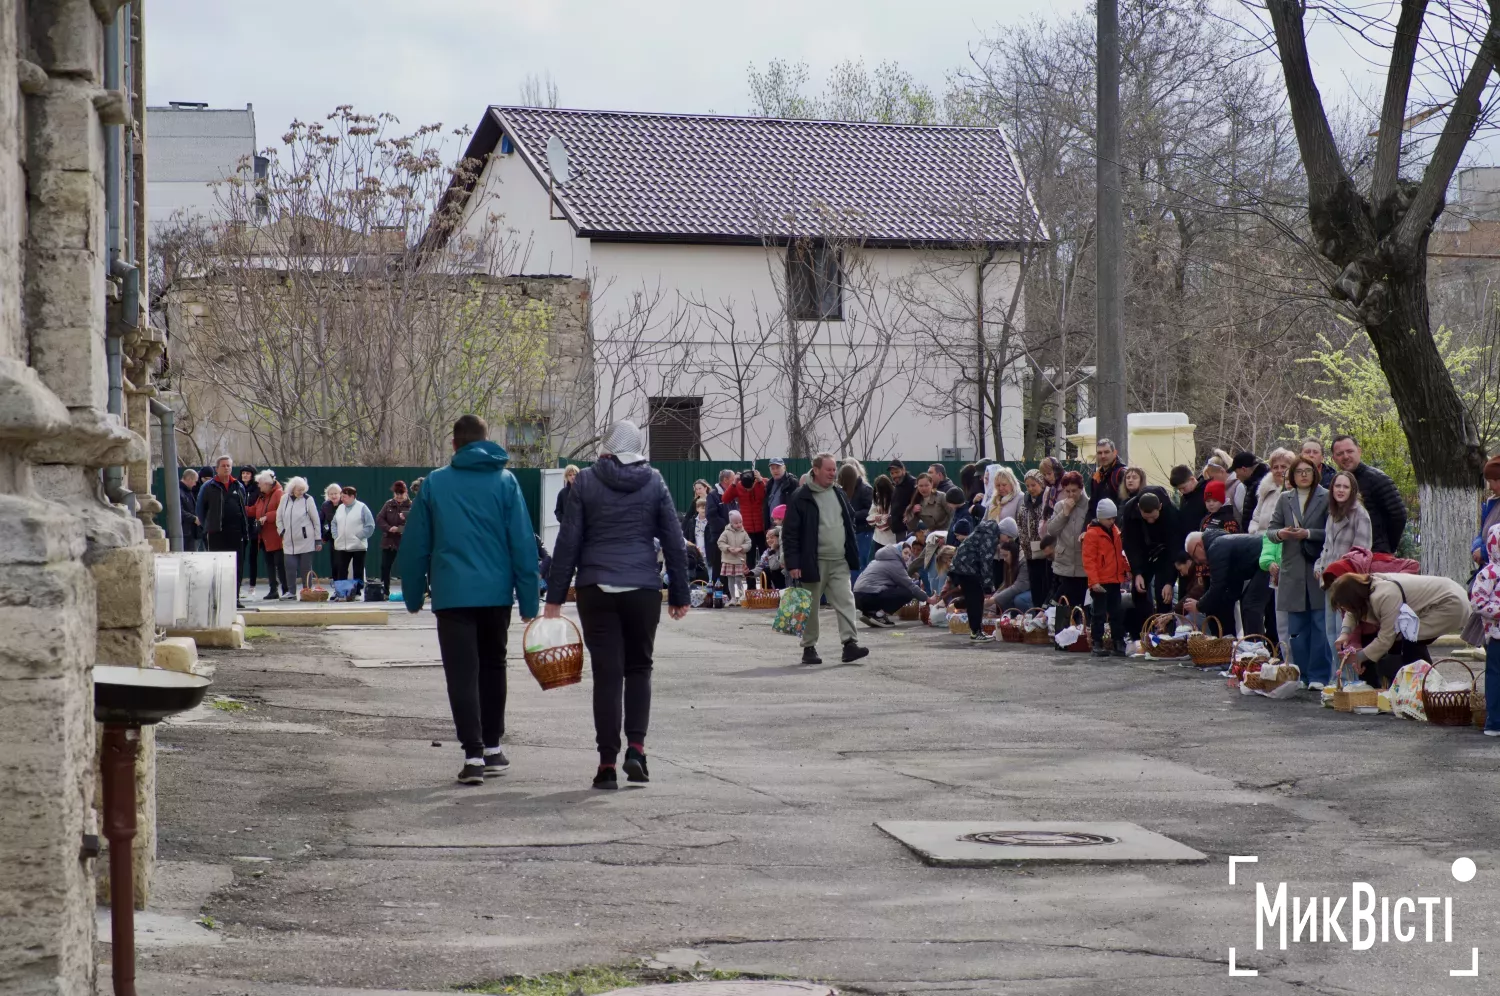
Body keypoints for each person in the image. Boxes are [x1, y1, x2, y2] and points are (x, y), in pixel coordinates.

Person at [546, 420, 689, 789]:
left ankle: (606, 764)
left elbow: (568, 543)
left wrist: (555, 599)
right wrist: (680, 594)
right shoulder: (654, 480)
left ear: (606, 446)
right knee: (639, 667)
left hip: (596, 588)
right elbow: (673, 538)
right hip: (642, 588)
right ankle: (637, 750)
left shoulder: (586, 482)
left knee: (607, 674)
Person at [400, 415, 540, 785]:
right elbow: (523, 543)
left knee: (462, 673)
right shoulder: (505, 481)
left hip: (452, 595)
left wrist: (413, 594)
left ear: (454, 445)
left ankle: (473, 755)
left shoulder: (435, 483)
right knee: (494, 666)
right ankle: (493, 748)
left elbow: (416, 545)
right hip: (495, 595)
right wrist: (529, 601)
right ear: (486, 440)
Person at [781, 453, 868, 665]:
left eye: (834, 469)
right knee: (810, 607)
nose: (832, 473)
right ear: (816, 469)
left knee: (846, 600)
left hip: (839, 560)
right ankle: (809, 648)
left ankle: (850, 644)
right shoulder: (801, 496)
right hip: (813, 561)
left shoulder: (838, 493)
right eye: (828, 469)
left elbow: (849, 521)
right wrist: (793, 563)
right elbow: (790, 532)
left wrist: (849, 550)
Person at [1329, 572, 1469, 690]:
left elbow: (1385, 639)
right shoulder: (1366, 587)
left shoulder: (1384, 595)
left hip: (1449, 603)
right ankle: (1415, 687)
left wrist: (1359, 657)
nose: (1344, 610)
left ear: (1353, 600)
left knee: (1409, 638)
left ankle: (1425, 688)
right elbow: (1352, 612)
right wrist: (1345, 634)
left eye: (1345, 605)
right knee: (1404, 639)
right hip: (1443, 595)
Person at [1270, 457, 1331, 686]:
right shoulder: (1285, 499)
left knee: (1319, 625)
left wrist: (1308, 534)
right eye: (1299, 472)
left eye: (1308, 471)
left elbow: (1331, 532)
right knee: (1296, 629)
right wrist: (1281, 534)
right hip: (1292, 570)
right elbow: (1270, 530)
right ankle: (1302, 674)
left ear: (1315, 474)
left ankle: (1318, 676)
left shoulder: (1326, 496)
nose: (1304, 475)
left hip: (1316, 568)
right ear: (1292, 476)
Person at [1314, 471, 1371, 655]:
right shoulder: (1332, 512)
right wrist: (1319, 566)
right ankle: (1334, 678)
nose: (1341, 490)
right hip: (1329, 581)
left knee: (1344, 633)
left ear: (1352, 490)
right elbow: (1327, 547)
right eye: (1337, 486)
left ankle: (1348, 680)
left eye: (1345, 487)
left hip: (1346, 582)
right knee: (1330, 633)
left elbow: (1361, 553)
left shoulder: (1360, 514)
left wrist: (1339, 571)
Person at [947, 512, 1019, 642]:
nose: (1007, 541)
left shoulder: (987, 531)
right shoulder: (990, 537)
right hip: (967, 568)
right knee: (975, 599)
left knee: (973, 598)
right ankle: (976, 631)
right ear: (1003, 532)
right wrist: (988, 587)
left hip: (963, 566)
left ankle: (976, 630)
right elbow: (986, 562)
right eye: (1008, 537)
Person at [1330, 435, 1407, 554]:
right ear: (1334, 458)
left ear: (1359, 451)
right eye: (1340, 454)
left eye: (1350, 451)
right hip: (1346, 555)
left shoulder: (1377, 479)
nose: (1345, 456)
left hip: (1374, 554)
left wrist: (1385, 548)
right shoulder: (1338, 483)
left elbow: (1398, 515)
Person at [195, 456, 250, 609]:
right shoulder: (208, 486)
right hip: (216, 533)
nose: (226, 468)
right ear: (217, 468)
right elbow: (200, 509)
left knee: (236, 567)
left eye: (229, 466)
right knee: (217, 567)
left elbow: (243, 506)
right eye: (223, 466)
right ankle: (217, 599)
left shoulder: (238, 486)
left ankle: (235, 598)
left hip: (237, 533)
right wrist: (207, 525)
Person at [1184, 529, 1262, 635]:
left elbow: (1217, 586)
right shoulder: (1220, 542)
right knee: (1254, 605)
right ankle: (1268, 645)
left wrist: (1199, 606)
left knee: (1250, 604)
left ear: (1199, 546)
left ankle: (1255, 646)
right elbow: (1232, 584)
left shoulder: (1215, 548)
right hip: (1263, 558)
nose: (1196, 561)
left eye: (1194, 556)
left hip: (1266, 559)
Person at [1122, 488, 1178, 634]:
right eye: (1146, 518)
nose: (1150, 521)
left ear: (1160, 507)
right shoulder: (1130, 509)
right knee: (1139, 591)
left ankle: (1165, 632)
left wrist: (1169, 582)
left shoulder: (1170, 512)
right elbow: (1130, 544)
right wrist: (1137, 572)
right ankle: (1143, 632)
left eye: (1153, 517)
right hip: (1142, 550)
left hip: (1164, 550)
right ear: (1139, 509)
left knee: (1164, 593)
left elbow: (1174, 547)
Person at [1083, 498, 1130, 657]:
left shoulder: (1115, 531)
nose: (1112, 521)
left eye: (1113, 518)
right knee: (1099, 614)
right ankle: (1097, 642)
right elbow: (1089, 560)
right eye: (1109, 518)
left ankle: (1118, 641)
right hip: (1101, 581)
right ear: (1100, 517)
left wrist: (1126, 569)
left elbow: (1119, 555)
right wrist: (1094, 581)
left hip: (1114, 579)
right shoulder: (1092, 534)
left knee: (1116, 612)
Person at [1466, 524, 1500, 736]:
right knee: (1495, 676)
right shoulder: (1489, 574)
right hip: (1496, 635)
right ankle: (1494, 721)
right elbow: (1477, 602)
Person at [854, 543, 928, 627]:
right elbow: (910, 586)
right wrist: (927, 599)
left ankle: (870, 612)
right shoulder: (895, 563)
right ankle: (879, 615)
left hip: (857, 597)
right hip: (868, 596)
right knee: (908, 592)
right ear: (898, 551)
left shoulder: (876, 561)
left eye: (909, 555)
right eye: (905, 553)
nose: (907, 557)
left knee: (894, 588)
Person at [1048, 471, 1090, 611]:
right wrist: (1064, 513)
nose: (1071, 495)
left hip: (1083, 565)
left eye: (1074, 491)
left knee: (1081, 608)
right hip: (1064, 564)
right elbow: (1052, 530)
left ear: (1081, 488)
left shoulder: (1089, 505)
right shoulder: (1060, 506)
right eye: (1067, 491)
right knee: (1063, 608)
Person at [277, 476, 323, 598]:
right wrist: (282, 531)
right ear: (292, 489)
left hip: (305, 540)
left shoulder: (308, 500)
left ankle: (306, 591)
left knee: (305, 569)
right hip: (288, 541)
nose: (301, 492)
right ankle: (291, 592)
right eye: (299, 490)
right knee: (290, 568)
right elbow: (279, 518)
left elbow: (316, 520)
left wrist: (318, 539)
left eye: (303, 490)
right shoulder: (284, 499)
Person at [1016, 470, 1053, 609]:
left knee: (1045, 585)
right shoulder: (1024, 504)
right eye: (1028, 486)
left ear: (1041, 484)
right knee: (1035, 586)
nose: (1031, 489)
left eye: (1034, 485)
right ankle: (1037, 612)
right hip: (1029, 553)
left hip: (1044, 552)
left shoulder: (1046, 501)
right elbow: (1020, 524)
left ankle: (1045, 613)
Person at [249, 470, 288, 600]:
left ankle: (286, 589)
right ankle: (273, 589)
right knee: (269, 564)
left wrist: (267, 516)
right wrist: (242, 509)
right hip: (264, 537)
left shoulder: (279, 494)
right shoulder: (262, 496)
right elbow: (255, 510)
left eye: (260, 484)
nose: (258, 486)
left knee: (280, 564)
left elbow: (282, 511)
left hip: (276, 536)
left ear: (266, 484)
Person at [330, 486, 376, 594]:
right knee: (341, 570)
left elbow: (370, 525)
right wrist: (336, 536)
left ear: (352, 496)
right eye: (341, 497)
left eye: (344, 497)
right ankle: (342, 593)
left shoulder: (362, 507)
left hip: (358, 546)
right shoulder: (340, 508)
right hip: (341, 545)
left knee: (358, 571)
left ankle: (357, 592)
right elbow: (334, 523)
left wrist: (359, 536)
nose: (342, 499)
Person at [723, 468, 769, 566]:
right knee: (749, 558)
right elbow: (725, 499)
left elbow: (766, 495)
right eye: (746, 488)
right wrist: (734, 482)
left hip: (762, 527)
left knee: (766, 557)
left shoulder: (763, 482)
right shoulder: (738, 486)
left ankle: (767, 580)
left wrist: (760, 482)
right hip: (747, 529)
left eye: (750, 487)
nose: (748, 490)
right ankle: (750, 580)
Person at [837, 463, 875, 570]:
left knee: (861, 562)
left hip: (863, 532)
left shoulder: (865, 489)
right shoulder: (843, 490)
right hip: (851, 532)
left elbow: (870, 511)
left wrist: (851, 515)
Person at [377, 481, 412, 594]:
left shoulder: (411, 505)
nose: (398, 496)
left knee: (408, 567)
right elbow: (380, 518)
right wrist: (388, 528)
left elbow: (415, 523)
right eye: (396, 493)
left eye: (401, 493)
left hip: (404, 541)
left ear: (406, 493)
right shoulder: (389, 504)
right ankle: (385, 591)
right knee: (385, 567)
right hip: (389, 540)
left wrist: (400, 529)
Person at [705, 469, 736, 580]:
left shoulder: (732, 495)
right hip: (719, 538)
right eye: (733, 479)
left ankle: (728, 593)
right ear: (726, 480)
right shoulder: (713, 495)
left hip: (732, 537)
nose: (735, 482)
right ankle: (718, 593)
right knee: (718, 566)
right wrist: (727, 526)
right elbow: (711, 516)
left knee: (729, 567)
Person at [1169, 465, 1207, 556]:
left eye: (1183, 487)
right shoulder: (1184, 498)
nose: (1182, 491)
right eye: (1179, 489)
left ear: (1192, 479)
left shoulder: (1205, 494)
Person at [717, 509, 752, 604]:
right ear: (731, 523)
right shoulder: (726, 532)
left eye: (740, 522)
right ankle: (733, 598)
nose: (739, 524)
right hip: (728, 560)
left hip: (739, 560)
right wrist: (728, 548)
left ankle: (741, 597)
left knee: (738, 579)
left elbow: (748, 543)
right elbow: (720, 542)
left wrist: (741, 548)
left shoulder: (743, 533)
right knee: (730, 579)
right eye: (736, 523)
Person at [1088, 438, 1126, 520]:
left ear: (1114, 453)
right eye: (1099, 453)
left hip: (1116, 527)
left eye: (1106, 452)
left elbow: (1124, 505)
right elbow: (1092, 507)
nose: (1103, 456)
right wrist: (1085, 530)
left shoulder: (1122, 474)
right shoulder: (1096, 477)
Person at [1473, 456, 1500, 565]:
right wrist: (1477, 547)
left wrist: (1484, 552)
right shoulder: (1492, 502)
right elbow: (1483, 532)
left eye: (1490, 481)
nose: (1489, 487)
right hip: (1488, 569)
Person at [887, 459, 917, 542]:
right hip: (898, 529)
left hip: (907, 528)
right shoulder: (897, 485)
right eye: (892, 473)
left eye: (897, 472)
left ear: (903, 470)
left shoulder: (912, 483)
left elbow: (916, 502)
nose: (894, 475)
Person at [763, 458, 795, 530]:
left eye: (778, 467)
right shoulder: (769, 484)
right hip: (771, 526)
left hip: (785, 527)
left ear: (784, 467)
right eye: (772, 468)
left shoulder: (792, 483)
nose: (775, 471)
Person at [178, 468, 202, 551]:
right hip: (184, 533)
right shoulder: (179, 492)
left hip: (190, 532)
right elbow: (178, 511)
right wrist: (194, 518)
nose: (195, 484)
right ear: (189, 479)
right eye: (195, 481)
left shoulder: (188, 491)